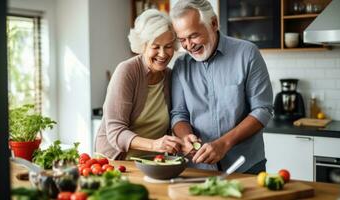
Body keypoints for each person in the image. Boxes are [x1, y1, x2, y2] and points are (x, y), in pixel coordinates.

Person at [170, 0, 274, 174]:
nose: (189, 45)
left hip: (245, 166)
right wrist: (185, 136)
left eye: (194, 36)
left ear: (213, 23)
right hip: (198, 168)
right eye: (182, 40)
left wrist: (224, 143)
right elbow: (178, 114)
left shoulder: (247, 54)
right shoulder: (181, 65)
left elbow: (262, 109)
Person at [95, 9, 183, 160]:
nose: (163, 54)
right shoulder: (127, 71)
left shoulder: (170, 76)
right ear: (143, 46)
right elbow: (116, 131)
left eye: (168, 46)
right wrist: (155, 145)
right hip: (117, 163)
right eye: (155, 47)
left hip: (152, 163)